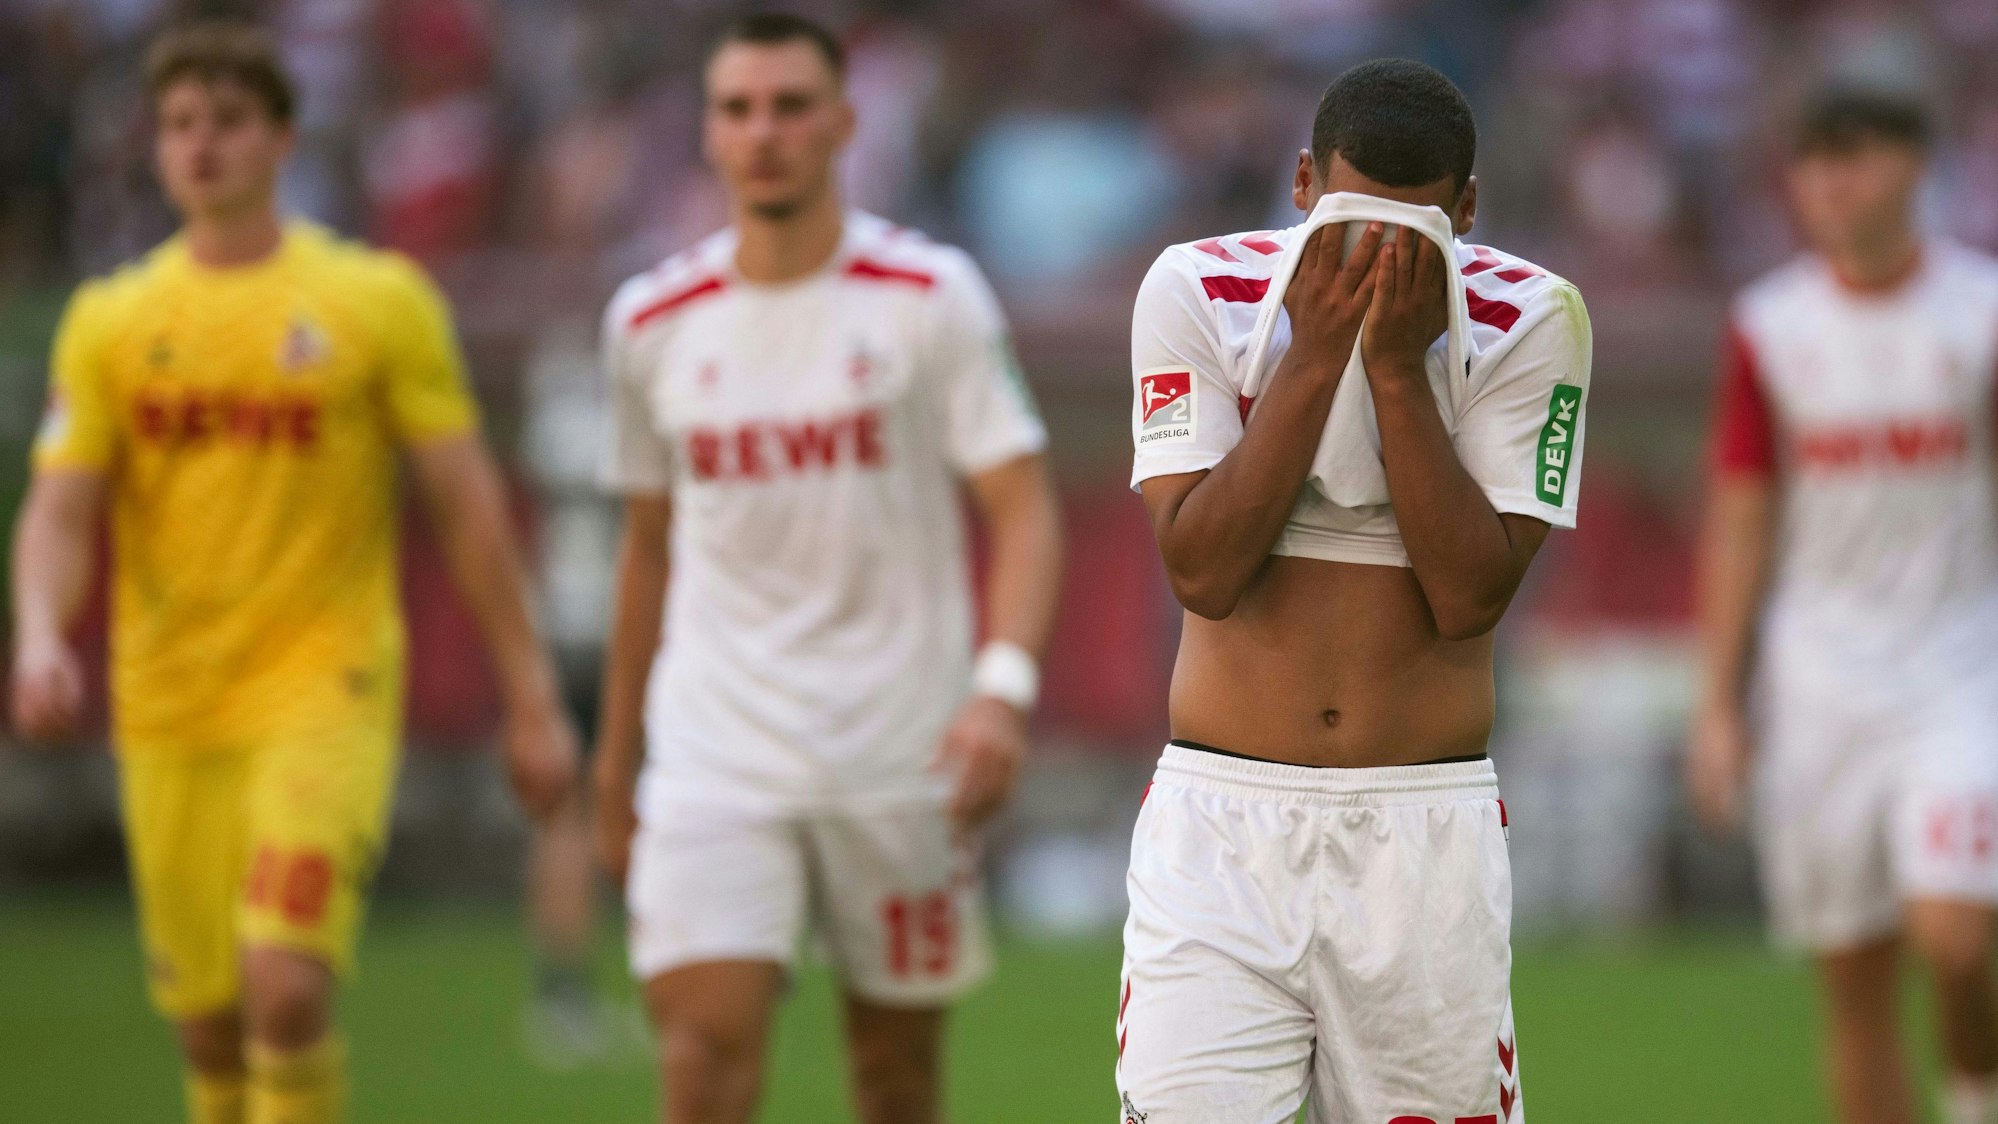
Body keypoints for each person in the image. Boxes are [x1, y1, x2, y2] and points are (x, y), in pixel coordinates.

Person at [7, 21, 578, 1124]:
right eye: (178, 126)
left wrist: (531, 693)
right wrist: (37, 633)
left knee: (285, 985)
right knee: (212, 1026)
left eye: (226, 122)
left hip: (324, 686)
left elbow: (466, 506)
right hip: (166, 699)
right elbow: (60, 509)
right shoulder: (112, 322)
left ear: (281, 137)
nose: (201, 147)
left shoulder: (373, 302)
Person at [590, 13, 1063, 1124]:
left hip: (898, 753)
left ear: (844, 121)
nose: (765, 133)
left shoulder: (928, 295)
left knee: (895, 1080)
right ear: (706, 132)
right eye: (739, 108)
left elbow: (1024, 502)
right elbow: (647, 551)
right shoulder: (649, 323)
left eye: (792, 106)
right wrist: (614, 766)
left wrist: (1001, 693)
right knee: (702, 1065)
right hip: (717, 752)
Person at [1119, 58, 1591, 1124]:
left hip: (1422, 834)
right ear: (1300, 184)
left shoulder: (1534, 315)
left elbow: (1471, 595)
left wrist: (1392, 367)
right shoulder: (1198, 289)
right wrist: (1318, 348)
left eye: (1413, 232)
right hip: (1221, 829)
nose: (1379, 258)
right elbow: (1201, 567)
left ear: (1466, 210)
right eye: (1349, 219)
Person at [1689, 88, 1998, 1124]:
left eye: (1852, 157)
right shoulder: (1770, 326)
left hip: (1959, 663)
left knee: (1957, 933)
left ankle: (1973, 1089)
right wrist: (1719, 704)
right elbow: (1742, 516)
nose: (1828, 182)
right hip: (1819, 678)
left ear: (1915, 164)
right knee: (1854, 985)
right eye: (1811, 161)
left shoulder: (1981, 311)